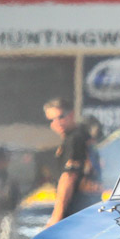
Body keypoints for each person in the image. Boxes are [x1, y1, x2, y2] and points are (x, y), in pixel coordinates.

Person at [43, 97, 93, 226]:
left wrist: (56, 217)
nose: (57, 123)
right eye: (52, 120)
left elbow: (68, 177)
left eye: (61, 117)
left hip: (78, 211)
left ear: (71, 115)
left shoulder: (75, 139)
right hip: (84, 210)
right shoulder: (74, 137)